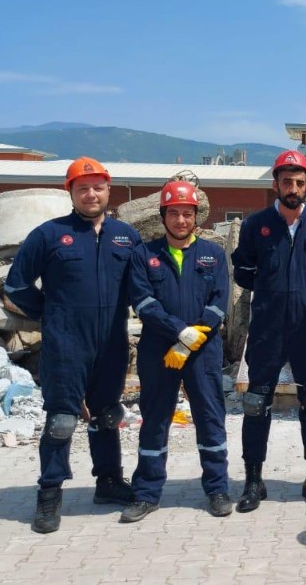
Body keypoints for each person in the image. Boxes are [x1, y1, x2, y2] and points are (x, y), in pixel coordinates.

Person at [4, 156, 142, 534]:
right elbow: (16, 285)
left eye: (98, 187)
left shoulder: (126, 237)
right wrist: (49, 314)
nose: (91, 194)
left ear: (108, 190)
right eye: (83, 188)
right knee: (62, 419)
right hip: (66, 343)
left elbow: (142, 286)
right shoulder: (48, 235)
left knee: (107, 414)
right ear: (71, 192)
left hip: (112, 341)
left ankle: (109, 481)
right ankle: (49, 493)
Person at [230, 150, 306, 512]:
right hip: (268, 328)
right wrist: (272, 291)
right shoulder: (255, 225)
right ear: (276, 184)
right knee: (256, 402)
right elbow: (243, 272)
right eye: (287, 181)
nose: (293, 188)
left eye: (299, 182)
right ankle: (253, 481)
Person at [120, 181, 231, 522]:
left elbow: (219, 302)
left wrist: (189, 340)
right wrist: (178, 332)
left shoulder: (213, 254)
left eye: (187, 213)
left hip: (202, 350)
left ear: (196, 217)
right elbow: (144, 302)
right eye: (174, 213)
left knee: (210, 419)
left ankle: (217, 489)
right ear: (162, 216)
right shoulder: (144, 255)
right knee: (155, 419)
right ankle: (146, 494)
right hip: (158, 349)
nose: (181, 220)